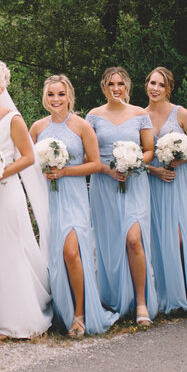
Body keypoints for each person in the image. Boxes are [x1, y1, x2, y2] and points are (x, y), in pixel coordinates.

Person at [30, 74, 118, 337]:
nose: (55, 99)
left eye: (60, 94)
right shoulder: (36, 128)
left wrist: (65, 171)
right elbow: (26, 160)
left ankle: (80, 313)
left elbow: (95, 164)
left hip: (75, 199)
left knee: (71, 253)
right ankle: (62, 313)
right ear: (45, 97)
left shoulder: (81, 126)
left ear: (69, 96)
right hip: (49, 200)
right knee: (56, 259)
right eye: (50, 94)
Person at [0, 60, 52, 341]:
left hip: (6, 193)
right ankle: (4, 316)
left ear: (2, 86)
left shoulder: (12, 119)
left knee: (10, 254)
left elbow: (28, 158)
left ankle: (17, 323)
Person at [85, 68, 158, 326]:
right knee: (109, 242)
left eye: (121, 84)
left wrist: (134, 163)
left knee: (133, 239)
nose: (116, 88)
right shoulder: (93, 116)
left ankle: (141, 303)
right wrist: (108, 169)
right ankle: (114, 297)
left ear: (127, 86)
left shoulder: (140, 114)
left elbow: (149, 150)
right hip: (104, 185)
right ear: (104, 87)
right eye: (111, 84)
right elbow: (88, 155)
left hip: (135, 182)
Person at [143, 67, 187, 316]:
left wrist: (179, 158)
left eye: (160, 85)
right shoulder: (139, 116)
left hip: (177, 179)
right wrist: (154, 170)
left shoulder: (180, 112)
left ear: (168, 88)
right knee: (160, 237)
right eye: (152, 83)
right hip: (153, 181)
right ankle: (167, 295)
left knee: (181, 237)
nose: (155, 88)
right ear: (146, 85)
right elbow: (137, 156)